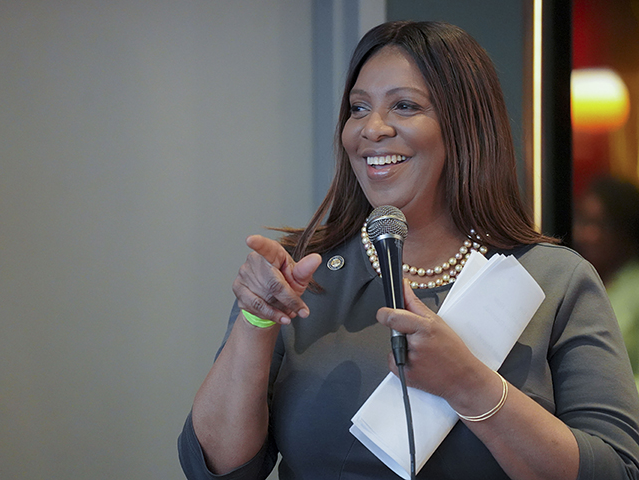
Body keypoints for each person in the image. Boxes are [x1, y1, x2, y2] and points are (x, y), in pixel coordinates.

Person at [178, 21, 639, 479]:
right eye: (358, 108)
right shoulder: (298, 275)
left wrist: (468, 384)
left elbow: (616, 471)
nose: (372, 128)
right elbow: (214, 470)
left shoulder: (554, 281)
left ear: (465, 126)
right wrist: (256, 321)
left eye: (404, 105)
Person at [573, 176, 639, 391]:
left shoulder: (634, 287)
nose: (587, 235)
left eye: (601, 224)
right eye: (583, 221)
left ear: (626, 229)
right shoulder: (580, 281)